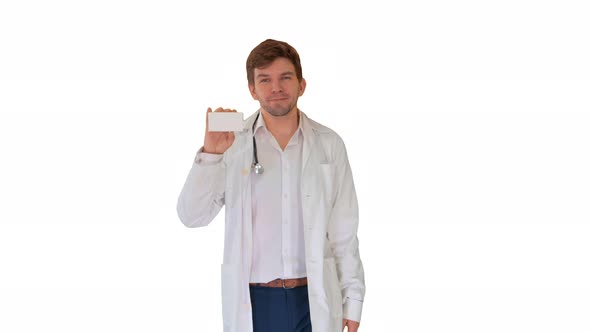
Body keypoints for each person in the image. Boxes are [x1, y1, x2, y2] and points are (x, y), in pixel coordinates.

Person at [177, 39, 365, 332]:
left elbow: (344, 231)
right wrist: (211, 155)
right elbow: (192, 216)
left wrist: (352, 301)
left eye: (285, 78)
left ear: (301, 85)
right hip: (255, 302)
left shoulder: (330, 145)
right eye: (265, 79)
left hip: (313, 300)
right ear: (253, 89)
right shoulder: (232, 143)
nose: (276, 87)